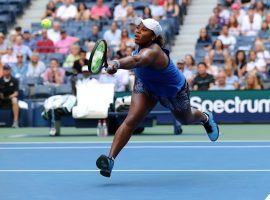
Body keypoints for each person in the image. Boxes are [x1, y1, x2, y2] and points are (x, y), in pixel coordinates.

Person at [96, 18, 220, 178]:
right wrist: (115, 65)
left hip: (172, 91)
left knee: (186, 119)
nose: (138, 31)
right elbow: (134, 59)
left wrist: (117, 64)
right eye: (138, 27)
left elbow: (136, 60)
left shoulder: (154, 51)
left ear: (153, 36)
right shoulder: (140, 43)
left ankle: (204, 117)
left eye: (144, 30)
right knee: (131, 120)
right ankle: (110, 159)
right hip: (145, 84)